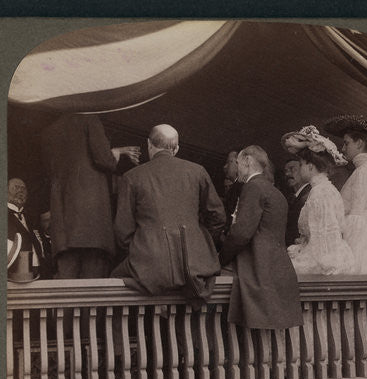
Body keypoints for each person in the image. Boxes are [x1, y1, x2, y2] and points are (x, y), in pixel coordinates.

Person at [111, 124, 225, 304]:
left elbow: (122, 231)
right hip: (194, 268)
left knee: (113, 281)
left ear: (149, 144)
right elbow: (218, 216)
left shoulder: (132, 177)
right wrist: (200, 243)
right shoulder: (198, 171)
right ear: (176, 148)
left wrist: (141, 250)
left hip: (149, 265)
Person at [40, 113, 140, 278]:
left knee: (66, 284)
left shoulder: (49, 131)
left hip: (63, 231)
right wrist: (117, 151)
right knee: (93, 284)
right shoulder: (89, 119)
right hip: (92, 229)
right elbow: (104, 160)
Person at [219, 145, 303, 330]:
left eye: (238, 163)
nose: (237, 169)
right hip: (276, 268)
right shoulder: (275, 191)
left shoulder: (253, 186)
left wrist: (220, 259)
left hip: (256, 265)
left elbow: (241, 233)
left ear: (248, 161)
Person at [323, 115, 367, 273]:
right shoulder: (363, 170)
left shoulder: (365, 171)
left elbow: (356, 216)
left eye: (346, 143)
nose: (343, 148)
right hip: (364, 234)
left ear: (359, 143)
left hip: (362, 239)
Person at [282, 125, 356, 275]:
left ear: (310, 166)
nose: (300, 168)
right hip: (322, 256)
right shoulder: (323, 190)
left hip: (325, 264)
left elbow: (323, 246)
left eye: (301, 164)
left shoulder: (321, 193)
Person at [7, 178, 48, 281]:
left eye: (23, 188)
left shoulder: (31, 218)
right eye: (16, 187)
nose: (20, 191)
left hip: (39, 273)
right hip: (15, 275)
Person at [283, 158, 312, 247]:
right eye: (285, 171)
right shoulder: (292, 197)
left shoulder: (308, 196)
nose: (287, 174)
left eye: (292, 169)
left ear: (303, 170)